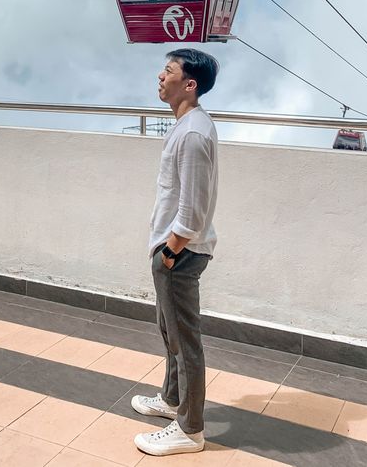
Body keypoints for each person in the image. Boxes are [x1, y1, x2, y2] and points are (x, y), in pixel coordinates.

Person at [132, 47, 220, 457]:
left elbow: (195, 207)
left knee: (185, 342)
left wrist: (170, 250)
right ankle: (172, 400)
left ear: (190, 84)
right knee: (171, 334)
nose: (159, 77)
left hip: (180, 253)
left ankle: (190, 429)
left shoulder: (193, 133)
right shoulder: (186, 126)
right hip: (173, 250)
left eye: (167, 71)